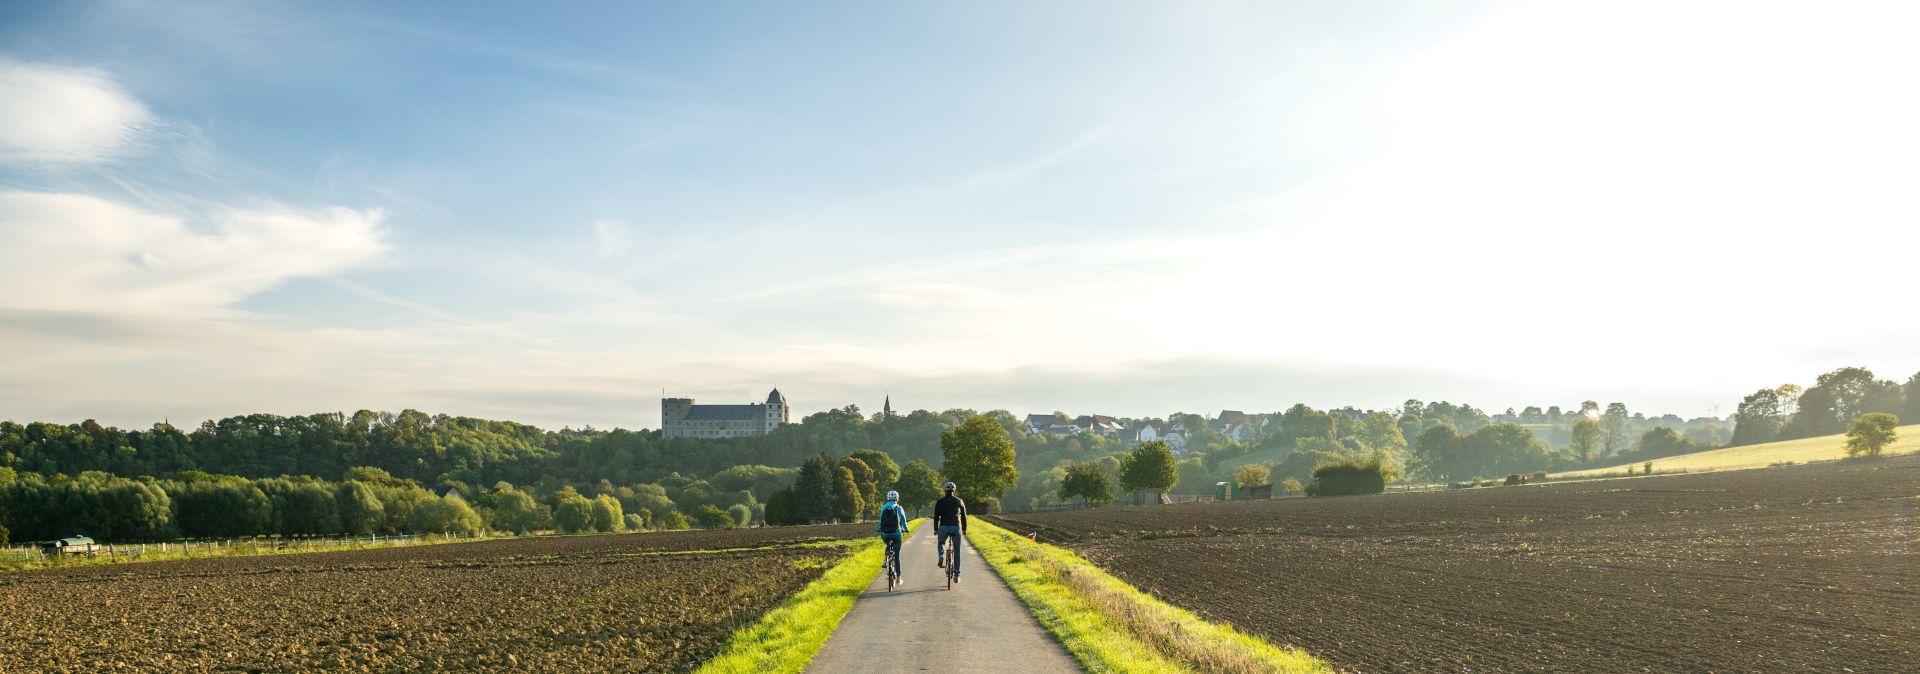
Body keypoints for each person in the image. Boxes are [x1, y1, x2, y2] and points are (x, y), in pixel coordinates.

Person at [932, 481, 967, 580]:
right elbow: (964, 516)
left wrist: (935, 529)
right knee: (957, 551)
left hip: (943, 527)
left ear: (945, 490)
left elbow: (936, 517)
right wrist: (964, 529)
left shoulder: (939, 502)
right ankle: (957, 575)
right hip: (956, 527)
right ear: (954, 490)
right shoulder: (959, 501)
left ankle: (941, 555)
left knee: (941, 542)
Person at [876, 490, 908, 578]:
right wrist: (906, 529)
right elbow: (903, 521)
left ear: (888, 498)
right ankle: (898, 577)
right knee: (896, 557)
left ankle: (885, 559)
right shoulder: (899, 508)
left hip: (885, 533)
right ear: (897, 498)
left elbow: (881, 520)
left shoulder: (883, 507)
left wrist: (879, 529)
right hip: (896, 533)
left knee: (888, 543)